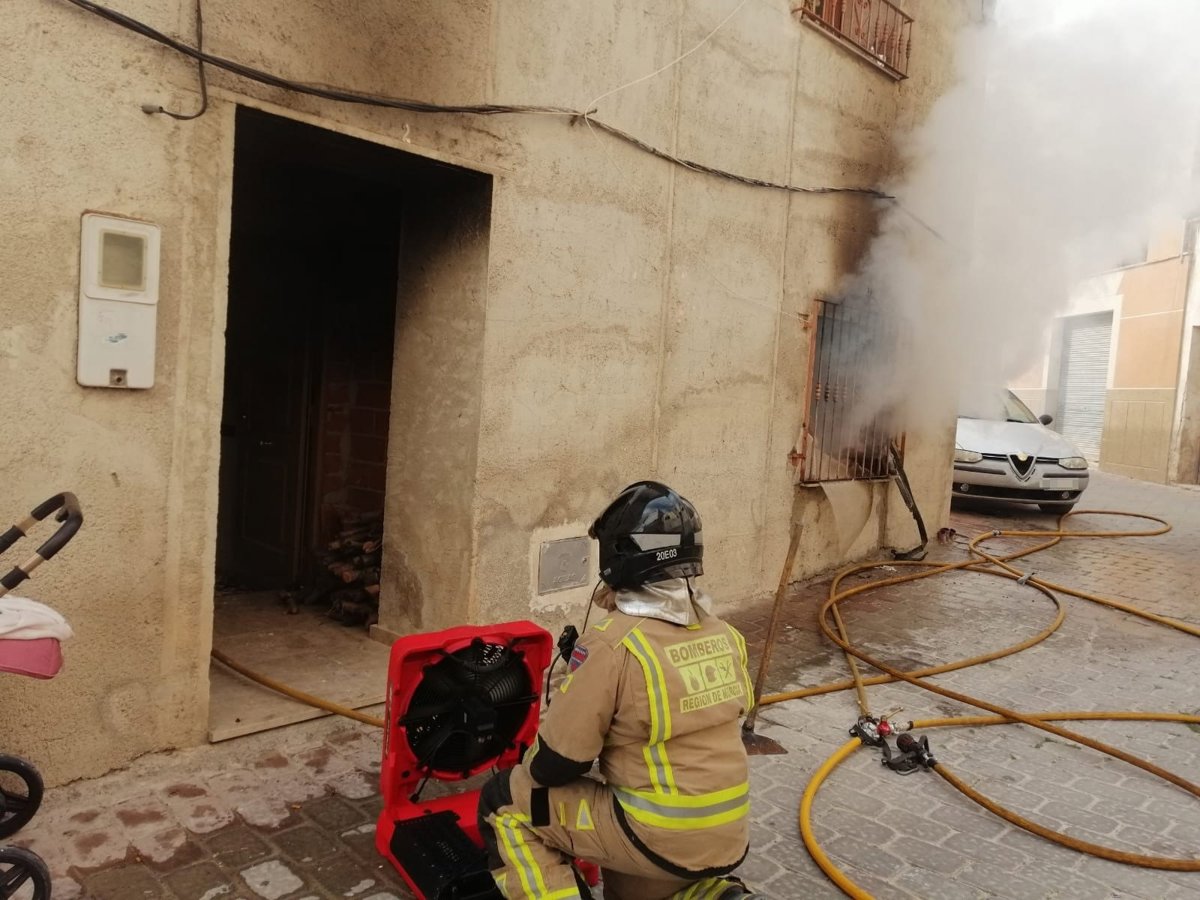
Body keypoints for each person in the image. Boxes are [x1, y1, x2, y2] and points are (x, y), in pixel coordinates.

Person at [478, 481, 761, 899]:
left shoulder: (613, 644)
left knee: (505, 800)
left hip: (655, 833)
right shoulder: (725, 634)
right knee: (628, 887)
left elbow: (556, 764)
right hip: (727, 834)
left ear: (618, 558)